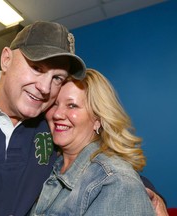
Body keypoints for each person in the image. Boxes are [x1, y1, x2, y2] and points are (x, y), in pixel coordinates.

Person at [0, 21, 167, 216]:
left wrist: (151, 195)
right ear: (6, 59)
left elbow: (99, 169)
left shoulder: (47, 124)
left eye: (57, 77)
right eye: (37, 68)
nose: (45, 88)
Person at [29, 68, 157, 215]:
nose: (57, 114)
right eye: (54, 104)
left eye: (72, 105)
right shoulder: (50, 163)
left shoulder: (115, 182)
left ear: (98, 120)